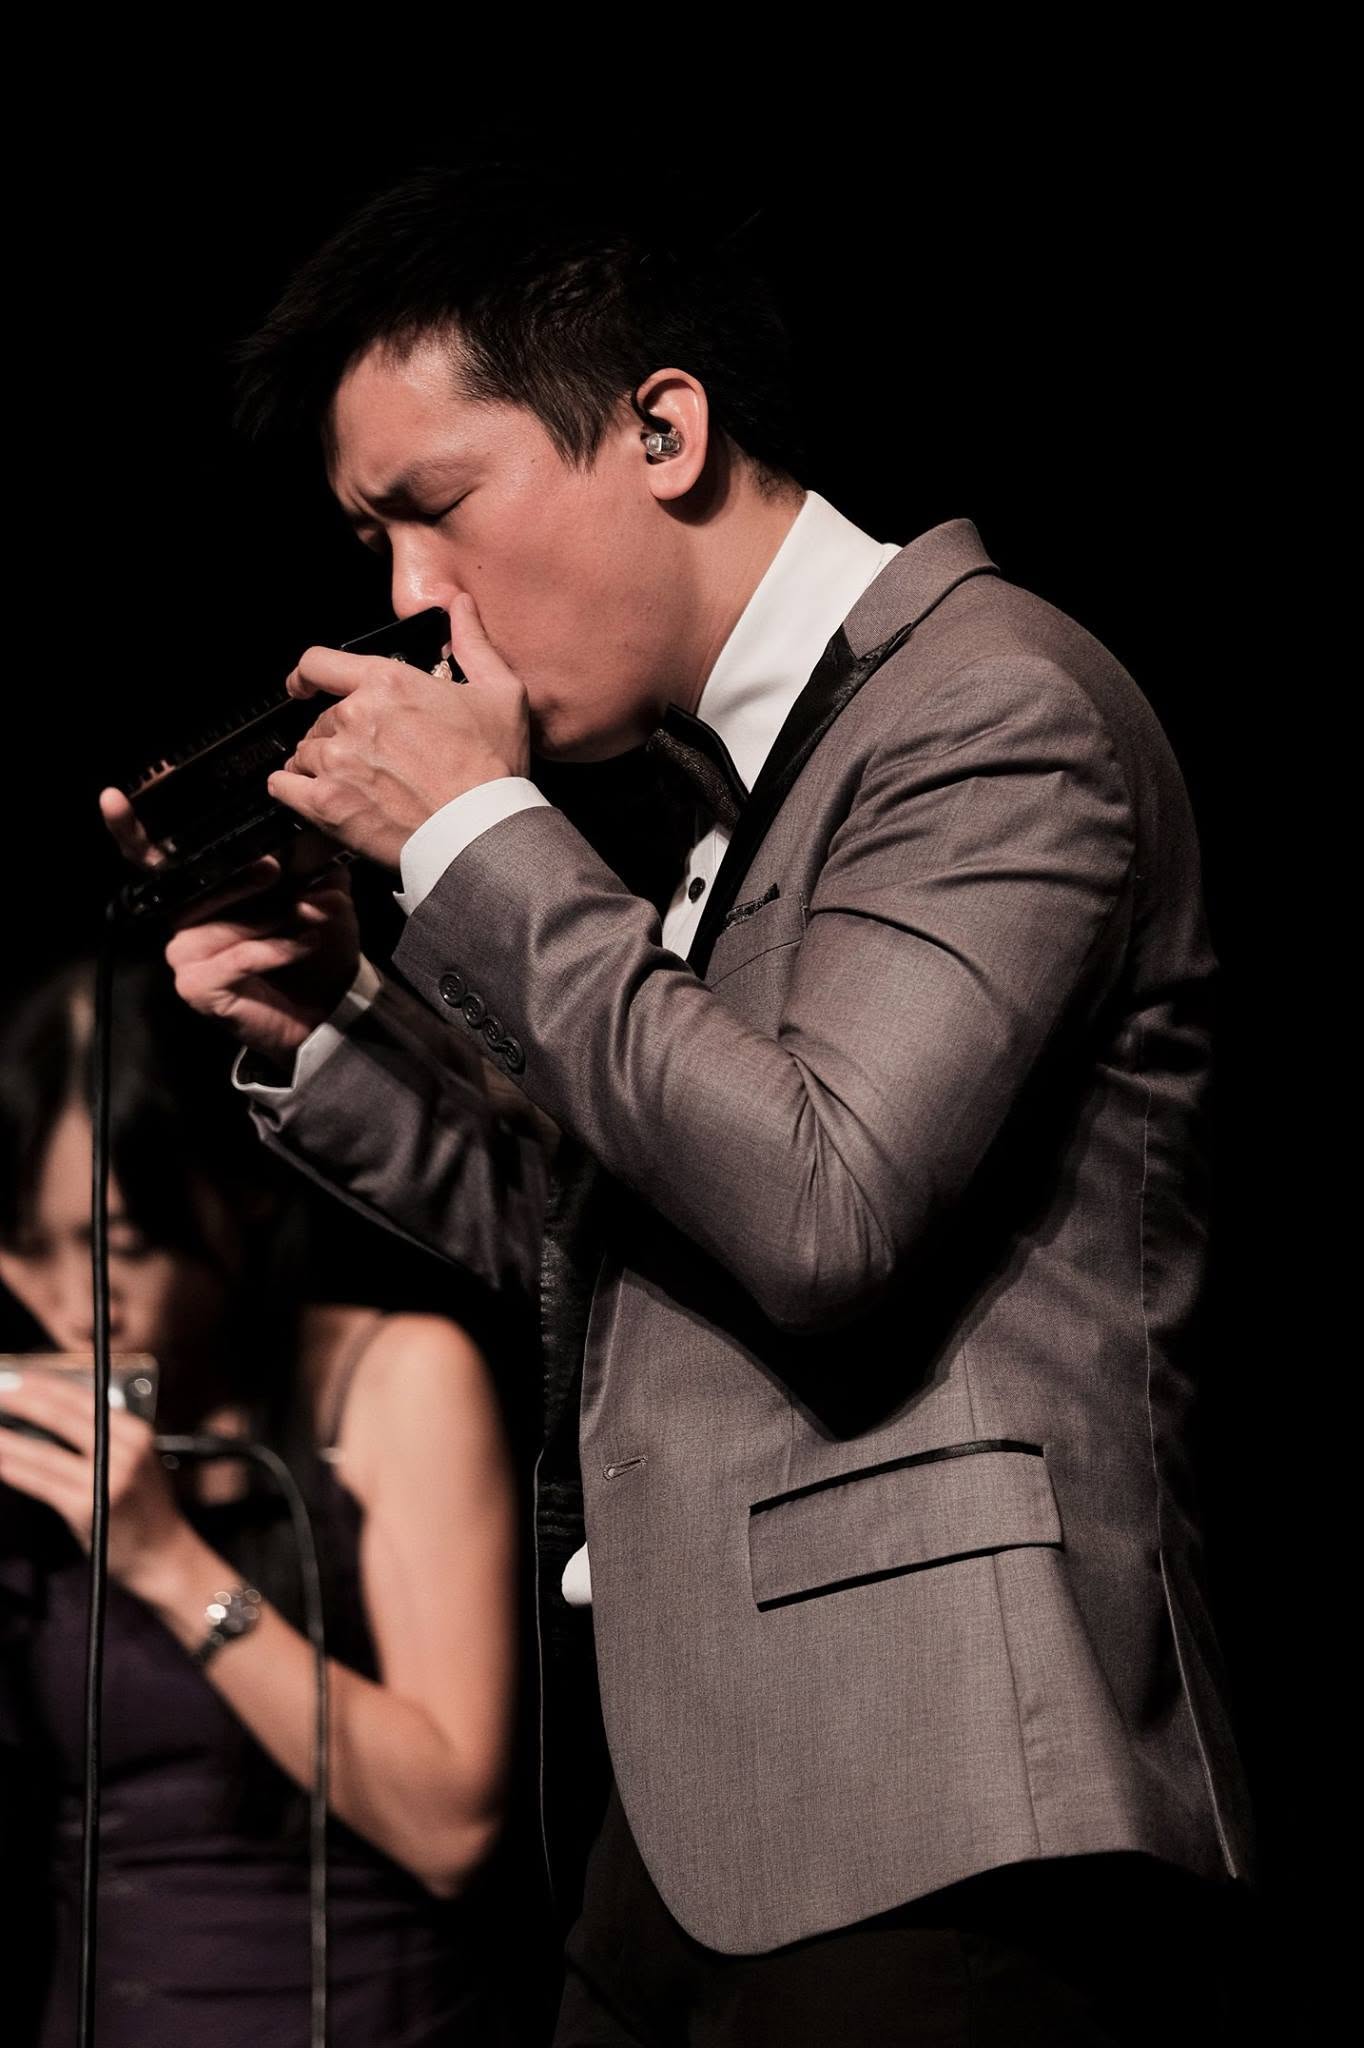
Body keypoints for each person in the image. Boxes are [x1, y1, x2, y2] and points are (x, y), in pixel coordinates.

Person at [106, 164, 1255, 2043]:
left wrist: (476, 836)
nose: (409, 600)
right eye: (372, 540)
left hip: (943, 1817)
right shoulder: (727, 784)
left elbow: (816, 1205)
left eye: (434, 509)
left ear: (661, 429)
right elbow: (639, 1243)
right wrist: (336, 1021)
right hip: (690, 1832)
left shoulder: (990, 706)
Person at [0, 952, 519, 2045]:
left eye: (119, 1246)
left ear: (236, 1187)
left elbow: (452, 1826)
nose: (74, 1303)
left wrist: (168, 1562)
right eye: (28, 1252)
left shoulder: (394, 1380)